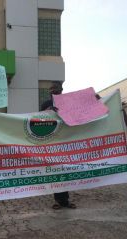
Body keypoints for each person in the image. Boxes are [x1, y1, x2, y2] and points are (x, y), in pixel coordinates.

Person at [40, 81, 76, 210]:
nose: (54, 90)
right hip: (52, 142)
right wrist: (49, 111)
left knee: (64, 170)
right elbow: (39, 120)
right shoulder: (46, 104)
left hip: (66, 141)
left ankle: (65, 200)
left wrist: (95, 101)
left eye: (56, 88)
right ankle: (57, 200)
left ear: (61, 89)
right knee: (55, 171)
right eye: (51, 89)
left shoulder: (68, 102)